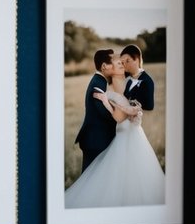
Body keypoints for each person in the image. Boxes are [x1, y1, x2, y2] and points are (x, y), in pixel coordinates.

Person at [65, 56, 165, 208]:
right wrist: (119, 106)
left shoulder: (129, 85)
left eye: (122, 63)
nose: (122, 65)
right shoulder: (109, 90)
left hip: (134, 136)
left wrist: (133, 109)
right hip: (122, 136)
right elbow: (120, 117)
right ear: (110, 69)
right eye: (118, 63)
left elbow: (137, 107)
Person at [74, 49, 117, 172]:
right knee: (90, 182)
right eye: (112, 63)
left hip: (95, 139)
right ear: (104, 66)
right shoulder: (98, 84)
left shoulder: (100, 81)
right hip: (96, 140)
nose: (115, 65)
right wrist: (122, 118)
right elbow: (105, 114)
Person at [120, 44, 155, 111]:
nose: (124, 65)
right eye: (122, 62)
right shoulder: (128, 81)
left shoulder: (147, 81)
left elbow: (149, 107)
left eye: (127, 61)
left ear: (136, 59)